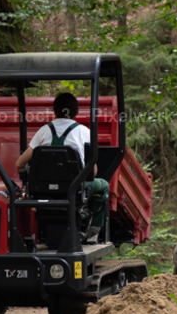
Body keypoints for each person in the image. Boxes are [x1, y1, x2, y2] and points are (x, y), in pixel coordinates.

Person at [15, 92, 109, 242]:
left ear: (55, 111)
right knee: (103, 186)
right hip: (74, 188)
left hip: (42, 189)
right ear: (76, 112)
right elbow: (94, 171)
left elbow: (19, 163)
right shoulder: (84, 132)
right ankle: (90, 228)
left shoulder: (43, 131)